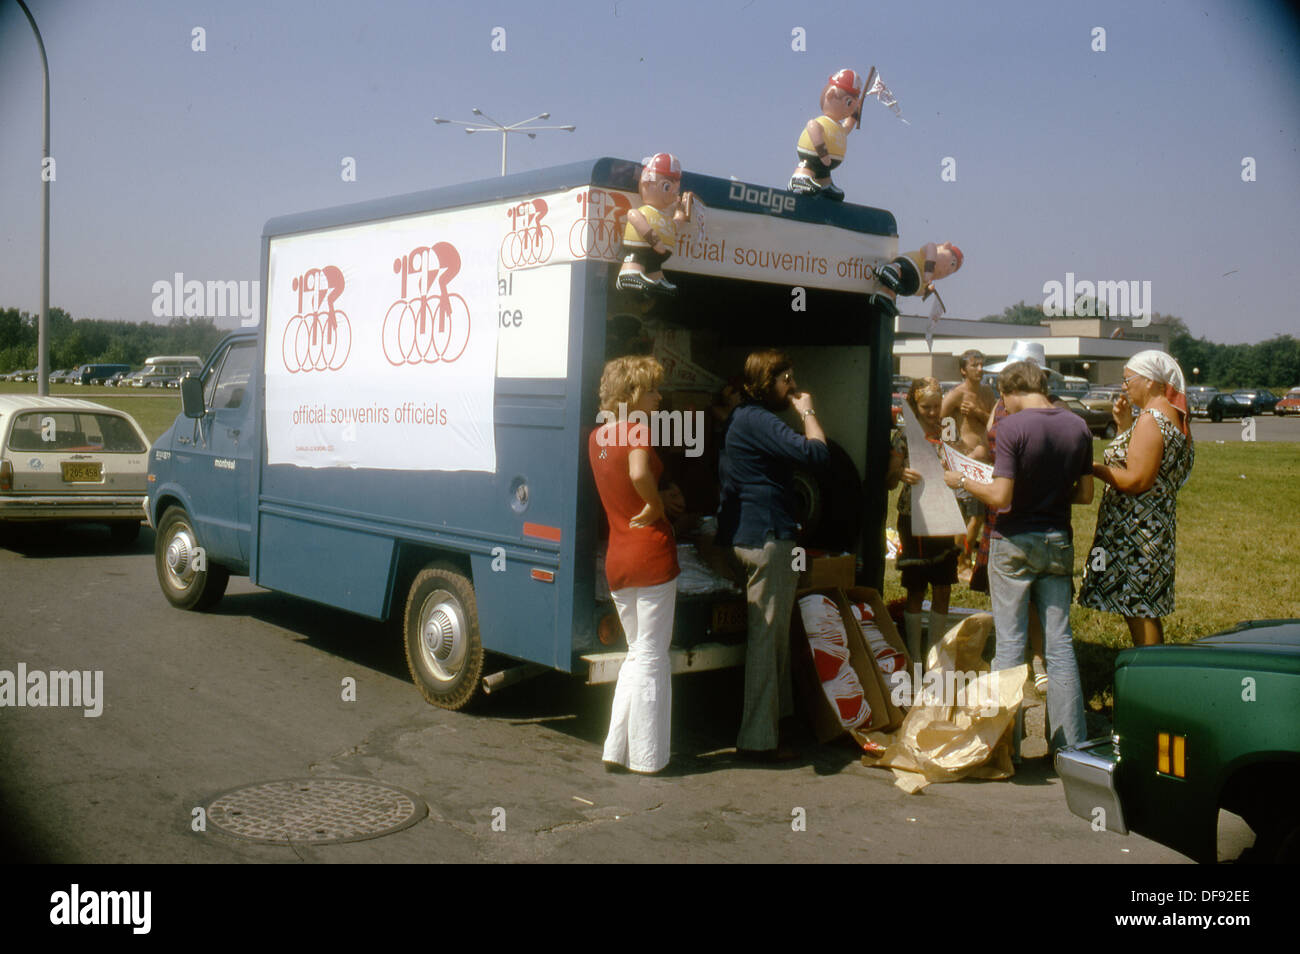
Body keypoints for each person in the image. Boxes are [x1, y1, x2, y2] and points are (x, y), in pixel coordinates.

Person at [944, 360, 1093, 753]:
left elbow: (1000, 496)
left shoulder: (1010, 427)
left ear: (1009, 392)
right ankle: (1069, 749)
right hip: (1058, 539)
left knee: (1010, 647)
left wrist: (962, 480)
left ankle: (1003, 749)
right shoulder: (1077, 425)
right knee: (1060, 647)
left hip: (1013, 542)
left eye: (1003, 399)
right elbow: (1085, 494)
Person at [716, 349, 829, 760]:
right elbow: (816, 454)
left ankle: (777, 724)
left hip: (747, 536)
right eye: (787, 378)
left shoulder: (740, 419)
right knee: (768, 639)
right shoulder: (758, 420)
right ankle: (758, 740)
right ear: (769, 381)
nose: (793, 387)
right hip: (768, 538)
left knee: (774, 636)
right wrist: (808, 413)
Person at [588, 356, 681, 774]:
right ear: (632, 395)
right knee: (653, 655)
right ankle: (647, 757)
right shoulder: (638, 430)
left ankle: (614, 747)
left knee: (635, 652)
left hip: (618, 558)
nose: (660, 397)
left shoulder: (598, 437)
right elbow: (640, 471)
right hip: (651, 553)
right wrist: (656, 502)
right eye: (653, 390)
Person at [1078, 351, 1194, 646]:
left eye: (1128, 379)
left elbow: (1137, 480)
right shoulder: (1172, 416)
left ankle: (1153, 675)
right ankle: (1154, 670)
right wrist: (1123, 425)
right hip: (1154, 526)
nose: (1124, 387)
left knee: (1140, 607)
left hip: (1137, 531)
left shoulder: (1151, 420)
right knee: (1143, 604)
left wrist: (1091, 468)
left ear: (1151, 381)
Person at [886, 377, 962, 666]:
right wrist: (901, 473)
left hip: (943, 515)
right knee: (916, 587)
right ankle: (915, 656)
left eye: (936, 406)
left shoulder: (948, 431)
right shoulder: (904, 436)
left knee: (944, 586)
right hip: (914, 516)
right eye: (925, 407)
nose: (932, 413)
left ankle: (935, 657)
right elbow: (890, 482)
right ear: (914, 405)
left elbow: (967, 457)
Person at [941, 349, 997, 576]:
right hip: (965, 462)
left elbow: (993, 422)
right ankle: (960, 562)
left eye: (982, 365)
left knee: (980, 516)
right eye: (974, 365)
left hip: (986, 462)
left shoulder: (987, 393)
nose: (980, 369)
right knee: (971, 516)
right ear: (963, 370)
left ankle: (965, 559)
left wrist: (977, 412)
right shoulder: (956, 394)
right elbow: (941, 421)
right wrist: (954, 452)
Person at [789, 69, 862, 200]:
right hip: (814, 156)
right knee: (809, 164)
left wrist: (857, 111)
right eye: (849, 102)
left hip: (826, 164)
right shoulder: (823, 122)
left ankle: (825, 185)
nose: (851, 108)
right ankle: (800, 178)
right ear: (830, 95)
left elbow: (849, 124)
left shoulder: (839, 127)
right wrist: (822, 153)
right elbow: (812, 127)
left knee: (823, 171)